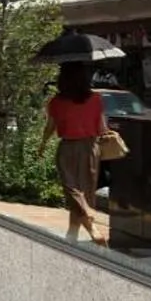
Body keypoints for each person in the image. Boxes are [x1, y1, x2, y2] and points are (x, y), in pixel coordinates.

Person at [39, 61, 106, 246]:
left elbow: (50, 128)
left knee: (72, 189)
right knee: (85, 190)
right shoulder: (96, 99)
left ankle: (90, 224)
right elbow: (102, 128)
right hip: (91, 148)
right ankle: (73, 233)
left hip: (67, 148)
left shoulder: (56, 102)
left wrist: (42, 145)